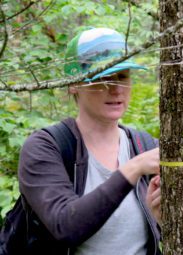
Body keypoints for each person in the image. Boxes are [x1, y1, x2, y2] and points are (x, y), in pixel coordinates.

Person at [18, 27, 162, 254]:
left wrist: (162, 220)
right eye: (103, 77)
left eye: (123, 77)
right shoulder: (46, 148)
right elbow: (64, 226)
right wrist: (132, 169)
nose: (116, 90)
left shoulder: (143, 146)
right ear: (73, 84)